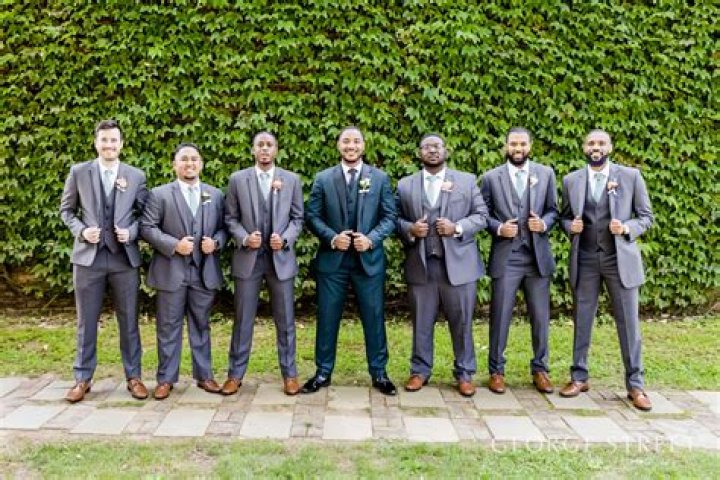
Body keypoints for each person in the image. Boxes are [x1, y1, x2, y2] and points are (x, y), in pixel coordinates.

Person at [559, 129, 654, 411]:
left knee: (629, 323)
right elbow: (564, 217)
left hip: (619, 259)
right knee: (582, 319)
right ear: (584, 147)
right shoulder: (571, 180)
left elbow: (646, 217)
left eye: (601, 143)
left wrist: (626, 228)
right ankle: (579, 377)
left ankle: (635, 385)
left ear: (610, 147)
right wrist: (570, 226)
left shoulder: (631, 177)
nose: (596, 147)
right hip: (586, 258)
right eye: (591, 143)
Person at [303, 126, 398, 395]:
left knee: (374, 317)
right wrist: (332, 238)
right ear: (338, 145)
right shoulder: (323, 178)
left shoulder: (379, 178)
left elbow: (390, 217)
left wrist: (372, 239)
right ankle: (323, 372)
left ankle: (379, 373)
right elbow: (312, 216)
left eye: (356, 141)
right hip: (333, 261)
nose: (351, 146)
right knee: (327, 316)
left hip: (368, 260)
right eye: (346, 141)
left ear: (363, 146)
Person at [60, 119, 148, 402]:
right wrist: (82, 231)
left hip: (124, 260)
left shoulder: (135, 176)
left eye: (113, 140)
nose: (109, 145)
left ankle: (134, 377)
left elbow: (146, 216)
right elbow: (66, 211)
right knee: (86, 321)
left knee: (129, 320)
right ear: (96, 142)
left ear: (121, 144)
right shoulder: (78, 172)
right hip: (88, 260)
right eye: (104, 140)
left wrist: (131, 232)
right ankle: (82, 379)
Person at [396, 134, 488, 396]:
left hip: (458, 267)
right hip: (422, 265)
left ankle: (465, 373)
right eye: (427, 147)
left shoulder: (466, 181)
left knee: (462, 322)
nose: (433, 151)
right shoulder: (405, 185)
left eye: (437, 146)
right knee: (421, 322)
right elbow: (394, 219)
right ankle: (420, 371)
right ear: (419, 152)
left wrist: (457, 227)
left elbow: (481, 216)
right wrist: (410, 229)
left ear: (446, 151)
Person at [140, 143, 226, 400]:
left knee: (202, 324)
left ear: (201, 164)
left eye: (194, 159)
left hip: (203, 271)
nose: (190, 163)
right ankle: (166, 379)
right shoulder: (159, 194)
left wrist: (216, 243)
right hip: (171, 271)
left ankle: (204, 376)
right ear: (174, 165)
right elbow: (147, 227)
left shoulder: (215, 194)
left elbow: (225, 227)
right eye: (184, 159)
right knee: (168, 326)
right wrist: (174, 245)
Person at [222, 132, 304, 396]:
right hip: (249, 259)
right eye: (260, 145)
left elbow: (298, 218)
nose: (265, 149)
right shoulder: (238, 179)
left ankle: (290, 375)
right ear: (253, 150)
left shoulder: (291, 180)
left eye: (269, 145)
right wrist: (245, 238)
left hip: (281, 260)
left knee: (286, 319)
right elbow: (230, 218)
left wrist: (286, 238)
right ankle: (235, 375)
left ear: (276, 150)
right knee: (243, 319)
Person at [480, 128, 558, 394]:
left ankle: (540, 369)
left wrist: (543, 224)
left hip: (537, 258)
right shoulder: (491, 178)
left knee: (540, 316)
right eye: (513, 143)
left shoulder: (545, 174)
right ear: (506, 146)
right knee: (500, 315)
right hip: (507, 257)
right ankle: (496, 370)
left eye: (523, 144)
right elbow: (482, 215)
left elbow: (553, 211)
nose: (518, 148)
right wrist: (499, 228)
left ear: (530, 146)